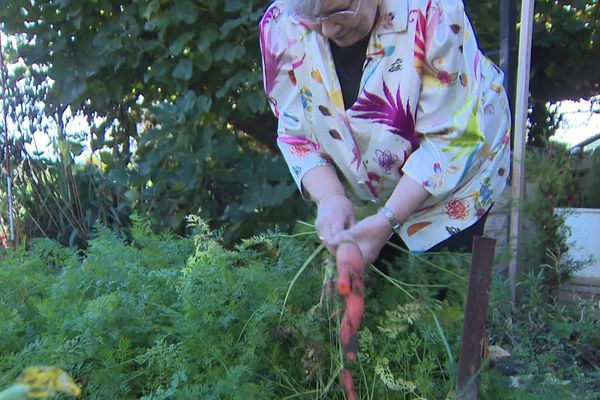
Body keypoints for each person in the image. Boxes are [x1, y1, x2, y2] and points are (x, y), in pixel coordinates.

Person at [259, 0, 511, 268]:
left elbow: (449, 138)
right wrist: (330, 197)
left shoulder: (434, 9)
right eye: (313, 18)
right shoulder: (282, 22)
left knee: (442, 291)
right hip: (373, 187)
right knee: (374, 279)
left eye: (338, 13)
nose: (328, 29)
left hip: (456, 183)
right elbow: (296, 133)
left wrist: (388, 220)